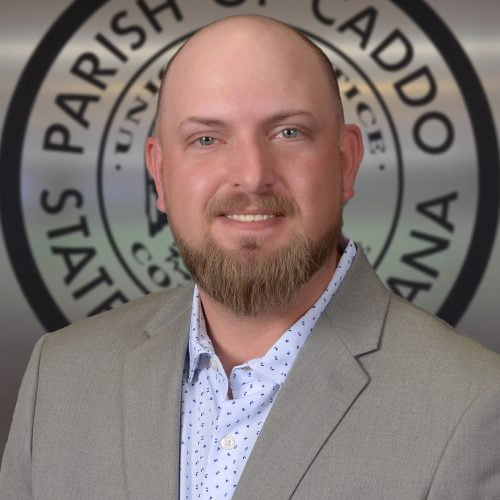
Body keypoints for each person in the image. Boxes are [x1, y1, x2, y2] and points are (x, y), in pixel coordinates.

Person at [1, 14, 499, 500]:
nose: (252, 175)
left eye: (288, 133)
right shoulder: (58, 378)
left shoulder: (473, 406)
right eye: (206, 139)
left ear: (345, 163)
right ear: (160, 174)